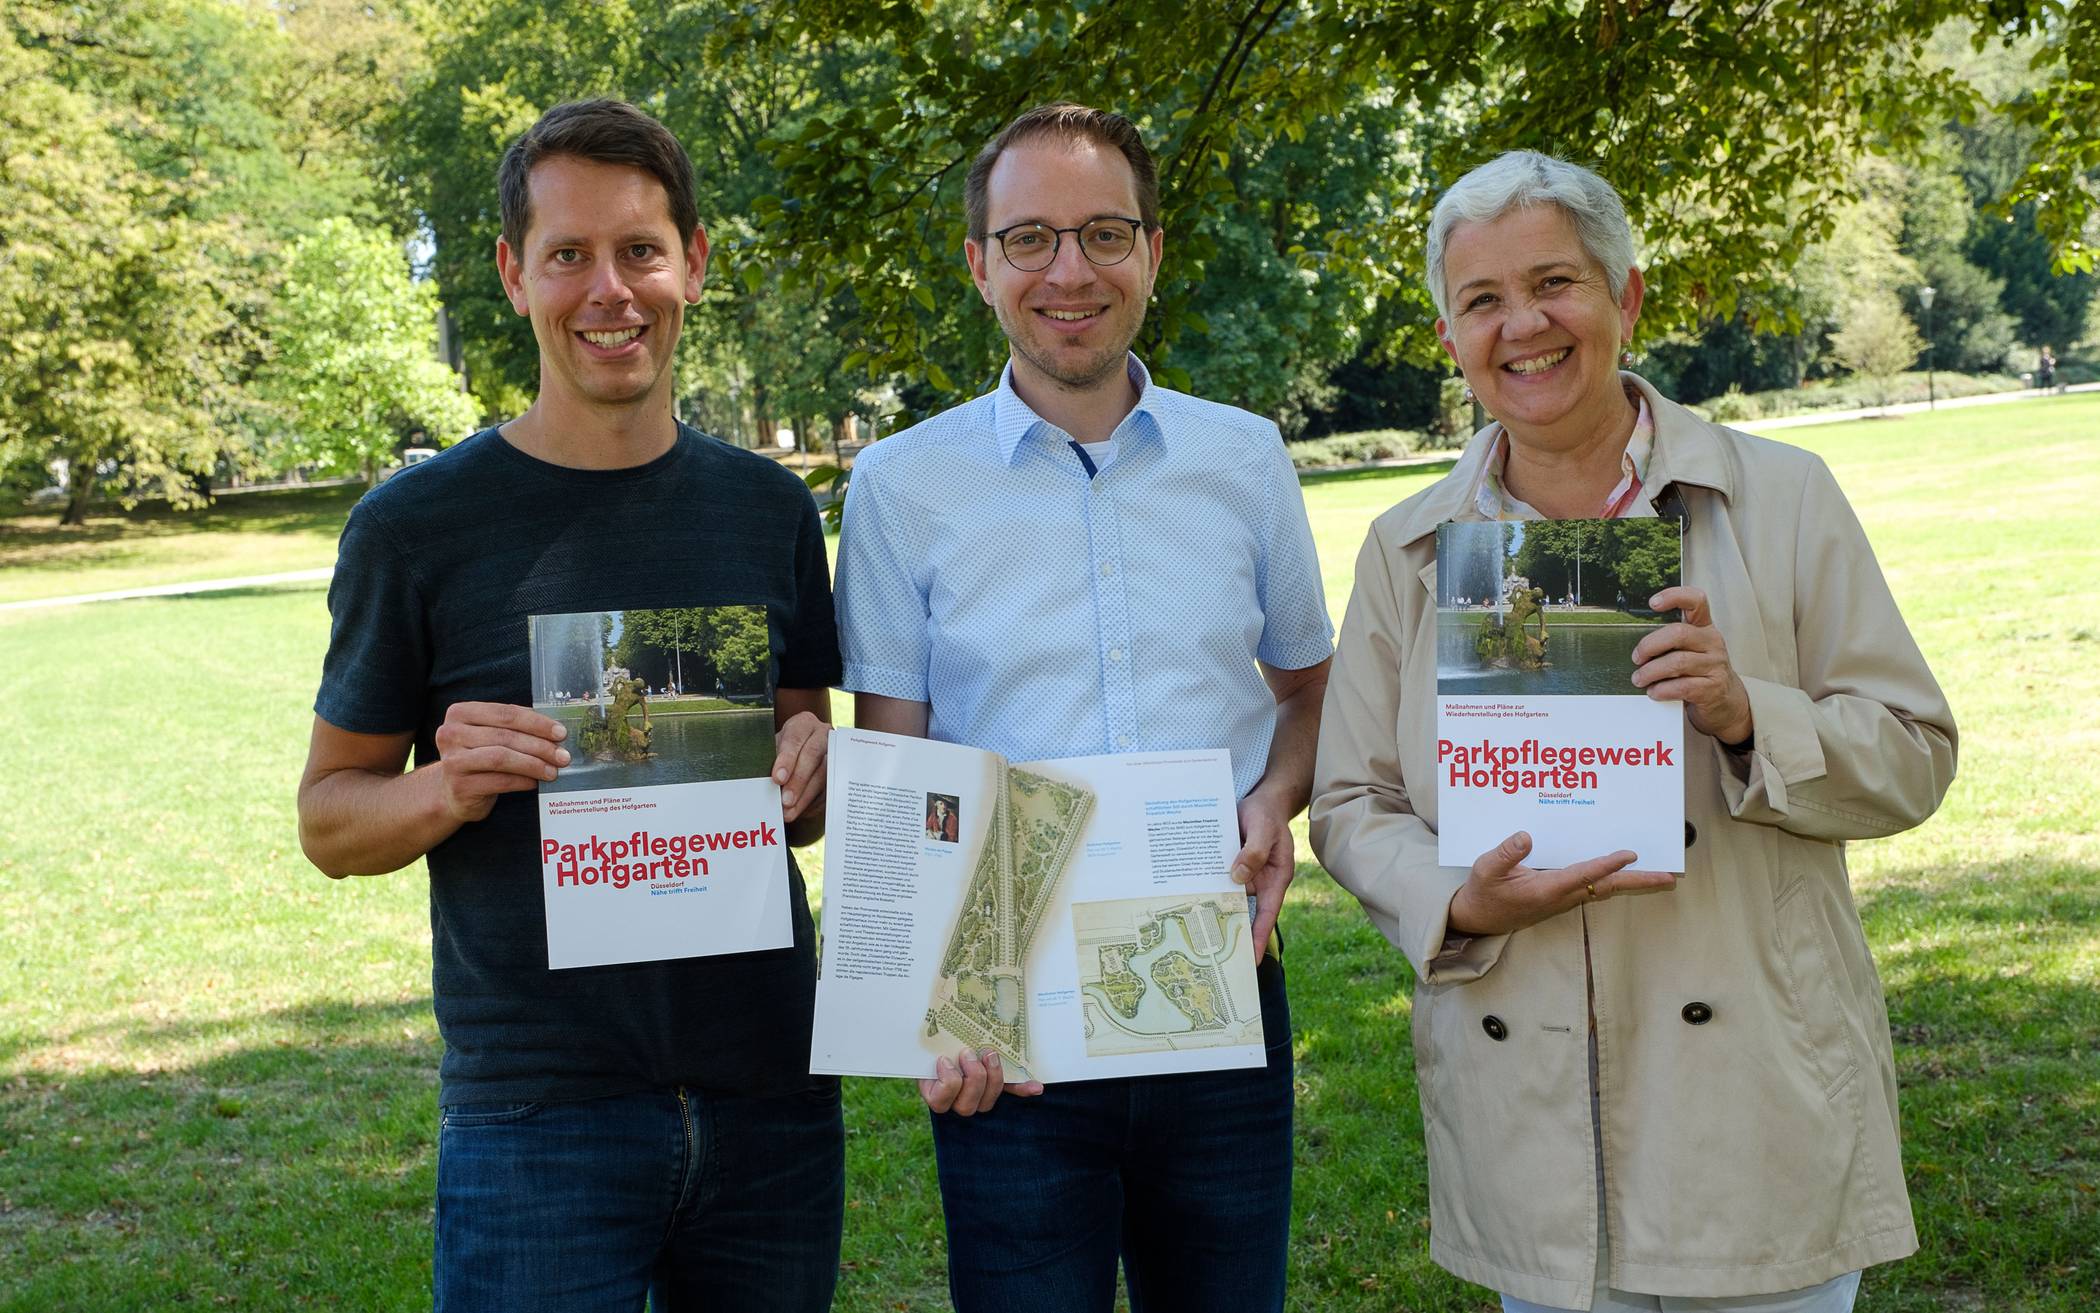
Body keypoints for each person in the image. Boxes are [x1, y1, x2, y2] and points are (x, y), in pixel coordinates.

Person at [1309, 151, 1958, 1313]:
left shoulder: (1783, 495)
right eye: (1481, 301)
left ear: (1627, 296)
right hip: (1533, 1127)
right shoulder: (1409, 548)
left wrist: (1749, 710)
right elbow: (1353, 802)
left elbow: (1915, 752)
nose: (1524, 325)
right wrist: (1454, 898)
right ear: (1452, 335)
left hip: (1756, 1115)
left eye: (1555, 281)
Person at [295, 99, 843, 1312]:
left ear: (694, 263)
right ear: (512, 273)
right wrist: (444, 785)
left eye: (640, 250)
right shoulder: (416, 526)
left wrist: (815, 761)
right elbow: (329, 819)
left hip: (772, 1100)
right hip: (538, 1116)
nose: (611, 290)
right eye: (569, 255)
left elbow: (796, 791)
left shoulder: (767, 510)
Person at [835, 103, 1333, 1313]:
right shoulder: (901, 485)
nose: (1070, 271)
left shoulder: (1245, 458)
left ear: (1153, 253)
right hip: (1007, 1017)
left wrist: (1276, 797)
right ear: (979, 265)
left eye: (1105, 232)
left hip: (1217, 977)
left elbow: (1310, 689)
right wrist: (917, 1016)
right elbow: (893, 764)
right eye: (1030, 239)